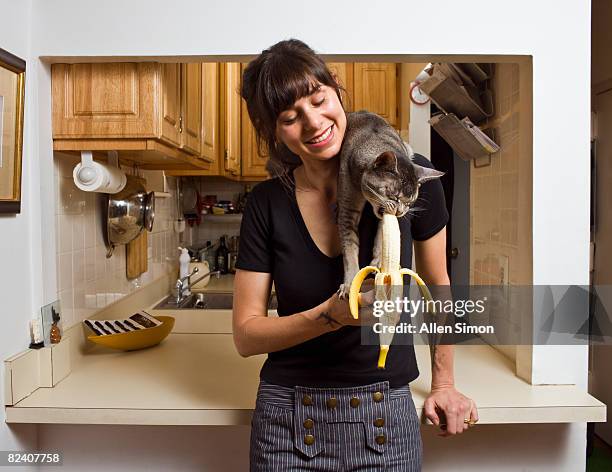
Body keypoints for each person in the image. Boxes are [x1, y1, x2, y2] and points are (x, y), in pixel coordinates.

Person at [233, 39, 478, 471]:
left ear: (336, 89)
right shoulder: (266, 203)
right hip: (286, 418)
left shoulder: (409, 175)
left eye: (318, 99)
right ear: (274, 131)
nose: (312, 123)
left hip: (387, 418)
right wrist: (331, 314)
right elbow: (247, 335)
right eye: (290, 118)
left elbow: (439, 283)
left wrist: (445, 381)